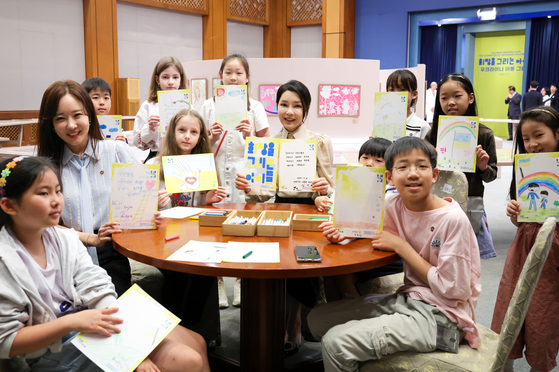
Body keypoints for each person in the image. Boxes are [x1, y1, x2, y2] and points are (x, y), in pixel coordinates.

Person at [0, 156, 210, 372]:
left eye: (58, 190)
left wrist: (128, 344)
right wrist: (73, 323)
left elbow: (96, 285)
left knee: (197, 342)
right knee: (185, 360)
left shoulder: (64, 239)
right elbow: (6, 342)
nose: (56, 200)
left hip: (89, 322)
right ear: (9, 206)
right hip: (52, 349)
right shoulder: (5, 260)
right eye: (44, 193)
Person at [307, 137, 481, 371]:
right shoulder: (393, 203)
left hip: (444, 317)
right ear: (388, 177)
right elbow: (370, 228)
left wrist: (401, 247)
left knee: (336, 343)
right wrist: (344, 235)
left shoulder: (452, 220)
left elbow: (454, 290)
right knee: (315, 320)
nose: (412, 173)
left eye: (421, 166)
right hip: (410, 299)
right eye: (403, 167)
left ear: (435, 174)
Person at [236, 79, 334, 356]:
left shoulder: (319, 142)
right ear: (275, 107)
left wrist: (324, 190)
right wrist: (248, 187)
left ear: (307, 110)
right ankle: (276, 323)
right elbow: (260, 195)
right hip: (280, 211)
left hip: (310, 213)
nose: (289, 111)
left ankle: (294, 323)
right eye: (283, 105)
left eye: (296, 106)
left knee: (304, 268)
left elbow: (331, 185)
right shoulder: (267, 145)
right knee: (278, 267)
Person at [36, 80, 156, 296]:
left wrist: (154, 202)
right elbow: (43, 224)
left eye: (77, 115)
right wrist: (90, 239)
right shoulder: (47, 167)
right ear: (51, 125)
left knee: (117, 314)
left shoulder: (116, 151)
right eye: (60, 118)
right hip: (67, 253)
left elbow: (143, 201)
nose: (71, 125)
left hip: (112, 251)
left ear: (90, 116)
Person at [200, 54, 271, 308]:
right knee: (215, 228)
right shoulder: (208, 105)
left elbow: (266, 145)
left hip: (244, 174)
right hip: (216, 171)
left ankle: (241, 278)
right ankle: (217, 280)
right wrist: (210, 136)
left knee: (244, 225)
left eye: (239, 73)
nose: (233, 77)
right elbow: (197, 144)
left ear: (247, 77)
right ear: (220, 75)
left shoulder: (256, 107)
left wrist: (250, 134)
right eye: (228, 72)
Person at [492, 106, 559, 372]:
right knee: (509, 306)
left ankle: (539, 367)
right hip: (522, 249)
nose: (532, 144)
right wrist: (514, 212)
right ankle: (503, 365)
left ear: (557, 134)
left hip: (552, 254)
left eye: (538, 135)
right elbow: (519, 220)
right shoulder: (525, 168)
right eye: (526, 139)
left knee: (544, 312)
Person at [319, 137, 403, 301]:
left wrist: (349, 232)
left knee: (344, 273)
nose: (369, 163)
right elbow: (337, 208)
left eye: (378, 160)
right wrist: (320, 200)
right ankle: (332, 314)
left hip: (384, 254)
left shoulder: (393, 192)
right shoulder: (353, 184)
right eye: (365, 158)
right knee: (330, 270)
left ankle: (356, 314)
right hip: (358, 246)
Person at [426, 73, 497, 260]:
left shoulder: (484, 134)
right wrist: (428, 161)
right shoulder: (432, 135)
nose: (450, 102)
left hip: (471, 203)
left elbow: (491, 176)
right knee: (438, 254)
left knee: (468, 257)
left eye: (457, 96)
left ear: (470, 98)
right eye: (444, 97)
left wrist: (482, 166)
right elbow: (421, 173)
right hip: (438, 203)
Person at [147, 108, 226, 209]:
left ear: (199, 137)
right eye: (182, 130)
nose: (187, 136)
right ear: (172, 132)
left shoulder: (206, 166)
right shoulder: (153, 165)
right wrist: (155, 204)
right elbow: (141, 208)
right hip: (166, 223)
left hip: (194, 223)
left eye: (194, 132)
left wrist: (208, 202)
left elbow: (203, 209)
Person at [133, 56, 187, 162]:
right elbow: (137, 142)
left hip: (182, 157)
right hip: (156, 158)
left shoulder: (187, 106)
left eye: (175, 77)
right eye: (165, 77)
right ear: (157, 79)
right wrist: (150, 128)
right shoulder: (148, 106)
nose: (170, 82)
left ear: (181, 79)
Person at [384, 69, 430, 138]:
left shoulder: (422, 126)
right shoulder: (381, 124)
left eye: (402, 89)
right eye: (391, 90)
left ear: (414, 94)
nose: (396, 94)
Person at [82, 77, 127, 142]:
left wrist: (123, 142)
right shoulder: (81, 125)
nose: (102, 103)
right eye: (96, 97)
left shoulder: (114, 125)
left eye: (106, 98)